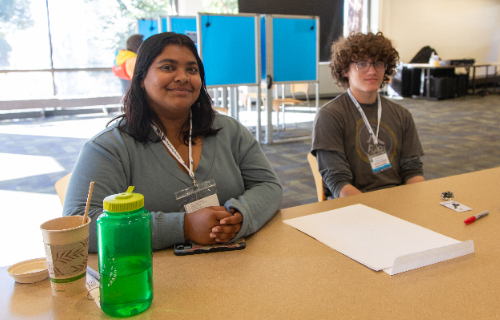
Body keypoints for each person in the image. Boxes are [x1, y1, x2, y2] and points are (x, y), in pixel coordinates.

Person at [64, 32, 283, 253]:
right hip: (152, 279)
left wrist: (241, 215)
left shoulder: (229, 131)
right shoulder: (110, 147)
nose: (182, 77)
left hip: (240, 268)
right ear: (141, 78)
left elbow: (268, 185)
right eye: (168, 67)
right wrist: (183, 227)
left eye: (192, 69)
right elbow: (78, 226)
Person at [311, 32, 424, 199]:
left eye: (378, 63)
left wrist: (420, 201)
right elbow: (338, 182)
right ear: (345, 70)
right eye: (362, 63)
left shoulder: (402, 115)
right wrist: (376, 211)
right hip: (352, 204)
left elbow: (412, 170)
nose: (372, 71)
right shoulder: (330, 116)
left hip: (398, 201)